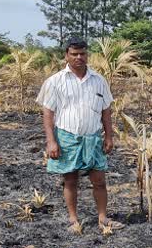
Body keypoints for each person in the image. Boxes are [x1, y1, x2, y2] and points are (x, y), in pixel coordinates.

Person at [36, 37, 124, 233]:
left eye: (82, 54)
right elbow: (48, 113)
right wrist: (51, 141)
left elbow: (106, 110)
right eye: (74, 54)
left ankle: (103, 218)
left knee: (99, 180)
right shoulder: (55, 81)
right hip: (67, 137)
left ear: (87, 55)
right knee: (70, 180)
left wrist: (109, 136)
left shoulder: (99, 81)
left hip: (93, 137)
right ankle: (73, 220)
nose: (78, 57)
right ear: (66, 55)